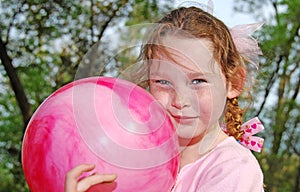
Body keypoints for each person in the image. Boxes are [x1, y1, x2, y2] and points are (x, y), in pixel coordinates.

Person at [65, 5, 264, 192]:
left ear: (234, 83)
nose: (180, 100)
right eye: (163, 82)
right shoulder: (138, 158)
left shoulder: (233, 169)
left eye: (198, 81)